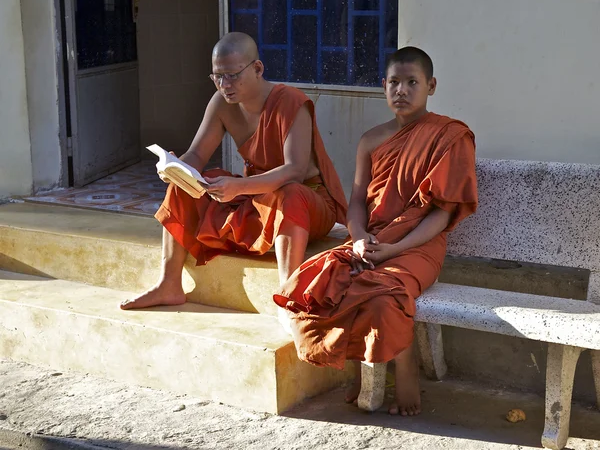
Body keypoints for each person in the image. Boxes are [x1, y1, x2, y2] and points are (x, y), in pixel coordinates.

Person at [273, 46, 478, 416]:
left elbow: (441, 215)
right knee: (319, 286)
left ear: (431, 86)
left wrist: (395, 249)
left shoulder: (449, 136)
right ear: (383, 86)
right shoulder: (370, 140)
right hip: (373, 240)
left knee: (383, 297)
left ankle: (405, 369)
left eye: (412, 82)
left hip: (419, 246)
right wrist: (358, 237)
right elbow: (356, 202)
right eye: (394, 82)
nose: (402, 90)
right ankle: (360, 367)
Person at [120, 32, 347, 310]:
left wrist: (238, 187)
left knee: (289, 193)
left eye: (232, 75)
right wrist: (176, 168)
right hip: (258, 199)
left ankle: (290, 296)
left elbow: (295, 171)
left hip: (306, 204)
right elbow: (198, 155)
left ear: (257, 69)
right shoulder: (220, 103)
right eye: (217, 77)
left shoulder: (290, 101)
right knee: (186, 186)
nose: (224, 85)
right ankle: (169, 283)